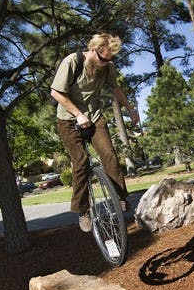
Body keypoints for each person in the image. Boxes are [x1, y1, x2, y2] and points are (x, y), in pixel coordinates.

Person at [50, 33, 139, 232]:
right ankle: (83, 210)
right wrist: (79, 115)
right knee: (80, 162)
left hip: (94, 116)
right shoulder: (73, 62)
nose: (105, 63)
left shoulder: (107, 67)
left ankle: (120, 197)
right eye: (102, 59)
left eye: (109, 60)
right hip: (68, 119)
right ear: (92, 49)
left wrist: (130, 109)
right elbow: (56, 93)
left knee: (109, 154)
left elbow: (116, 89)